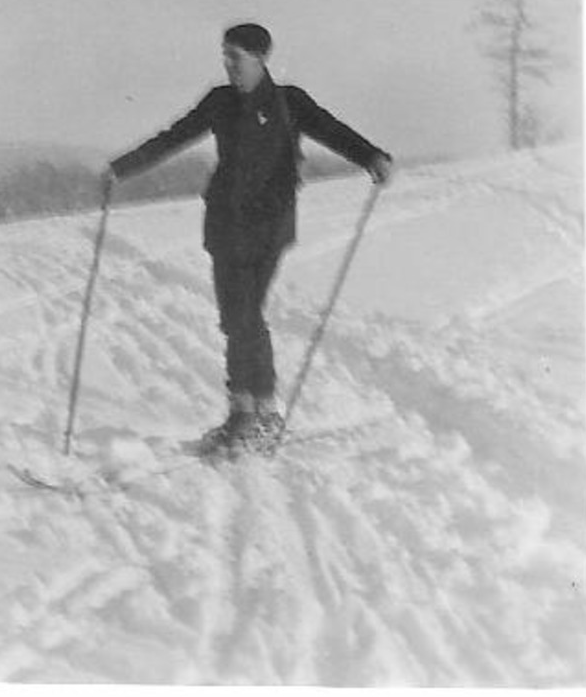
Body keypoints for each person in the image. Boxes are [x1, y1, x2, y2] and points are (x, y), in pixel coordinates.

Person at [105, 23, 394, 451]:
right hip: (226, 224)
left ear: (260, 58)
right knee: (239, 317)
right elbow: (174, 137)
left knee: (244, 316)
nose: (228, 66)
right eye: (225, 57)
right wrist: (122, 169)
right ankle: (263, 411)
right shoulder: (220, 101)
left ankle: (247, 413)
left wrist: (371, 156)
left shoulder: (289, 102)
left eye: (235, 58)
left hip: (269, 225)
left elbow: (332, 131)